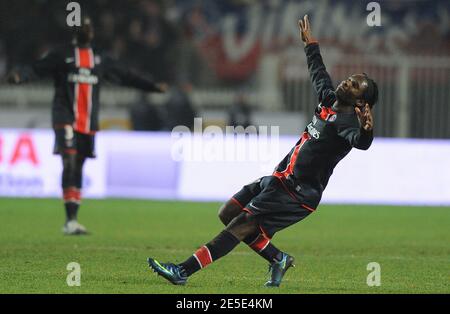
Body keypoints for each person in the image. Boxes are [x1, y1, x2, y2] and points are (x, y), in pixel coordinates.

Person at [147, 15, 378, 287]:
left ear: (360, 101)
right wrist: (310, 45)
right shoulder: (329, 100)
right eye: (350, 79)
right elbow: (318, 72)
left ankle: (183, 271)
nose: (346, 83)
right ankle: (278, 258)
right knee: (228, 213)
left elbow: (359, 142)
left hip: (299, 192)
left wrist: (366, 130)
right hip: (281, 178)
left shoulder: (347, 123)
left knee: (242, 223)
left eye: (353, 85)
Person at [8, 17, 167, 235]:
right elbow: (38, 69)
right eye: (83, 26)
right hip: (65, 117)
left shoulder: (100, 58)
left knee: (79, 165)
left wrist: (152, 86)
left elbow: (125, 76)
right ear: (75, 32)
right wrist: (20, 76)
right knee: (70, 160)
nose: (87, 30)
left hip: (88, 122)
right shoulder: (62, 55)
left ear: (92, 33)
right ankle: (70, 219)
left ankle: (73, 220)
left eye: (89, 27)